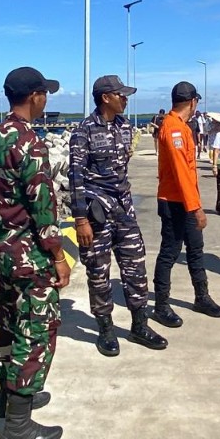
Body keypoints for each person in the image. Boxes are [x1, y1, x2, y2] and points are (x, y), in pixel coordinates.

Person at [0, 67, 69, 439]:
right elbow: (42, 207)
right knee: (36, 329)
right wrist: (58, 256)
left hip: (2, 247)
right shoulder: (29, 141)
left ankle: (9, 397)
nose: (46, 98)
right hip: (29, 253)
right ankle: (18, 423)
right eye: (44, 93)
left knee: (9, 322)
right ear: (34, 96)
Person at [68, 75, 166, 357]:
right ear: (105, 97)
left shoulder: (125, 127)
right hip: (96, 213)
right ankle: (106, 330)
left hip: (124, 211)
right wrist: (80, 219)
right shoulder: (83, 131)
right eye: (121, 95)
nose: (126, 99)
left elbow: (122, 170)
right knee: (98, 274)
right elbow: (75, 177)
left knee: (136, 269)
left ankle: (139, 325)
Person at [151, 81, 220, 328]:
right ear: (193, 101)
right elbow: (182, 171)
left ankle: (201, 297)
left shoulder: (181, 126)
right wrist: (195, 208)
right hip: (175, 202)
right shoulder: (173, 128)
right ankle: (160, 305)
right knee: (170, 252)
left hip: (186, 199)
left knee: (195, 249)